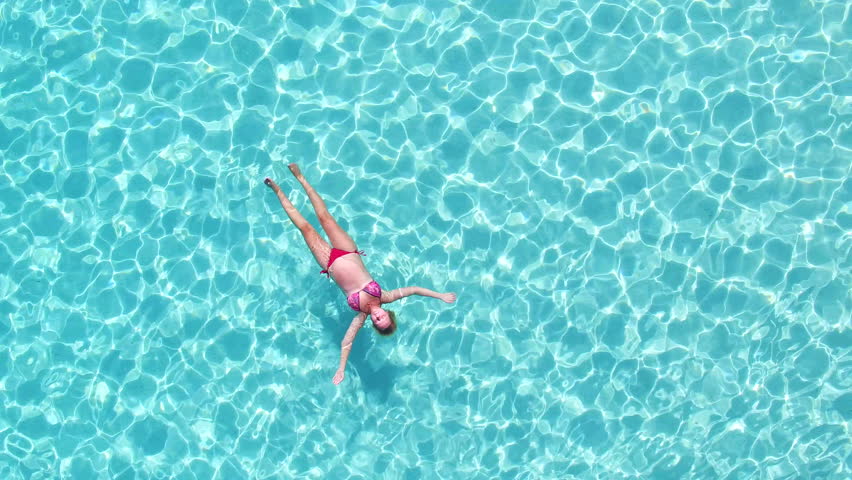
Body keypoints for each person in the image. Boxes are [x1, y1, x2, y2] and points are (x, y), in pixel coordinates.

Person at [264, 164, 457, 385]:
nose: (378, 318)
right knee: (325, 218)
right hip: (347, 250)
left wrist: (341, 368)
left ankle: (277, 190)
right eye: (383, 318)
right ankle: (300, 177)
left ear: (373, 323)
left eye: (377, 322)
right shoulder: (385, 296)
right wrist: (439, 295)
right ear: (387, 314)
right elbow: (413, 290)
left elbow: (347, 342)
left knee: (306, 228)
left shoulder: (360, 316)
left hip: (329, 262)